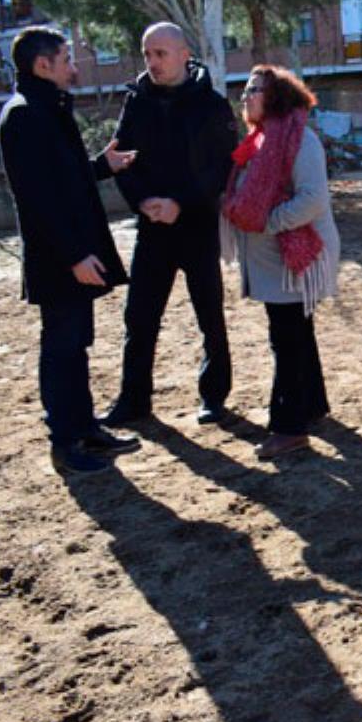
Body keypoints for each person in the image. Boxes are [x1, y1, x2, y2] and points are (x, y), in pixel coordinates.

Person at [0, 27, 142, 475]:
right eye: (66, 59)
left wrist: (103, 165)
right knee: (61, 349)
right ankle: (66, 442)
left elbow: (65, 175)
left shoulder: (48, 109)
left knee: (76, 345)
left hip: (73, 255)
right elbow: (39, 198)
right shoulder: (24, 115)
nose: (74, 68)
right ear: (44, 65)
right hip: (61, 260)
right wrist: (75, 256)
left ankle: (85, 429)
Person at [100, 22, 238, 427]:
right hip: (152, 228)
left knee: (209, 315)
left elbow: (223, 167)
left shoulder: (212, 105)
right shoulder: (137, 102)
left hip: (197, 227)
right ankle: (133, 401)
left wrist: (182, 203)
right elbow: (121, 159)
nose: (153, 62)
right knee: (139, 317)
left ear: (183, 55)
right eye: (147, 54)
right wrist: (143, 201)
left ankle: (214, 397)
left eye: (161, 53)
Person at [220, 65, 339, 459]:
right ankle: (313, 406)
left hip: (293, 255)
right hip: (272, 257)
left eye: (254, 90)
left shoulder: (299, 139)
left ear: (277, 97)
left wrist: (266, 223)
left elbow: (312, 200)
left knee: (286, 339)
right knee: (297, 333)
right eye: (245, 90)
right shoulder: (260, 141)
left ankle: (289, 427)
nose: (245, 96)